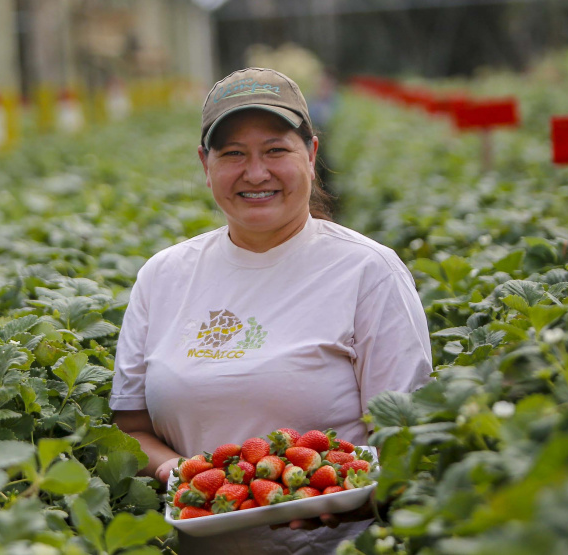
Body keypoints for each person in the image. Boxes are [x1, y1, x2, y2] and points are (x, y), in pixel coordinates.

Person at [109, 68, 433, 554]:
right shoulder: (163, 276)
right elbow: (131, 429)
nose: (255, 173)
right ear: (205, 163)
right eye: (233, 154)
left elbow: (403, 437)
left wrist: (355, 494)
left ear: (312, 154)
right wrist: (172, 471)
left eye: (276, 150)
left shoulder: (368, 271)